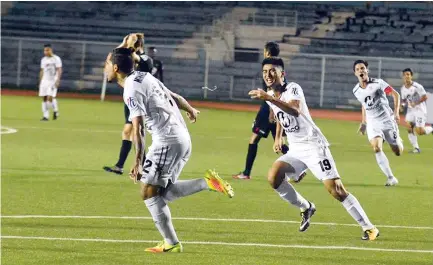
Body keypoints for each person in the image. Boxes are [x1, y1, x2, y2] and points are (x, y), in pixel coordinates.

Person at [104, 47, 234, 253]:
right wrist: (190, 109)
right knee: (161, 193)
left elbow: (137, 128)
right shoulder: (145, 76)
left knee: (148, 193)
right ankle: (206, 183)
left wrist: (138, 161)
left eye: (107, 64)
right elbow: (173, 96)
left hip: (167, 142)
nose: (105, 69)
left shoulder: (130, 89)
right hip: (181, 139)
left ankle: (172, 243)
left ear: (116, 67)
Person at [248, 57, 379, 240]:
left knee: (336, 190)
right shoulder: (271, 94)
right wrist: (278, 137)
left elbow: (294, 110)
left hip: (313, 145)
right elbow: (278, 115)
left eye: (272, 71)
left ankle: (369, 227)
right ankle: (306, 207)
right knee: (273, 177)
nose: (268, 75)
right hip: (295, 149)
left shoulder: (292, 88)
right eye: (264, 72)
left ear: (281, 74)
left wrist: (268, 98)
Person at [233, 41, 300, 181]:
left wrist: (271, 113)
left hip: (268, 110)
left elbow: (274, 94)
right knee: (278, 143)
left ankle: (246, 173)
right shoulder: (276, 68)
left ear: (267, 52)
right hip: (273, 109)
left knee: (255, 140)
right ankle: (298, 171)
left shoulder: (269, 68)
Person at [103, 33, 154, 175]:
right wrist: (123, 42)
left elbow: (131, 57)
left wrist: (129, 43)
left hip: (140, 100)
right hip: (129, 99)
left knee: (135, 132)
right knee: (128, 132)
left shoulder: (146, 60)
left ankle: (142, 166)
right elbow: (112, 58)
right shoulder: (127, 57)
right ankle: (122, 166)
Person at [352, 60, 402, 186]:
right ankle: (391, 178)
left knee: (397, 152)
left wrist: (396, 113)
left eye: (363, 68)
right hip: (373, 122)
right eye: (358, 69)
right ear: (355, 73)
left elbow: (395, 95)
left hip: (387, 120)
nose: (361, 71)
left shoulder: (378, 83)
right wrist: (363, 122)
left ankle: (397, 139)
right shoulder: (356, 90)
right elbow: (364, 104)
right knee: (376, 148)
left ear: (367, 70)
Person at [400, 68, 432, 153]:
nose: (406, 76)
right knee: (409, 127)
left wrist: (416, 103)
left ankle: (431, 128)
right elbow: (404, 100)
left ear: (411, 76)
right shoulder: (403, 88)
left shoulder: (417, 86)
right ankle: (416, 148)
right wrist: (402, 106)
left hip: (420, 110)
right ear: (403, 76)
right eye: (405, 75)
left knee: (420, 132)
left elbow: (425, 97)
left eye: (408, 74)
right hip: (411, 111)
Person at [39, 44, 62, 121]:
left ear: (51, 50)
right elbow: (42, 70)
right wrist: (40, 81)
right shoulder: (43, 60)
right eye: (45, 50)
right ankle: (46, 116)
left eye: (47, 50)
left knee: (50, 98)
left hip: (53, 81)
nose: (45, 52)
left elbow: (59, 69)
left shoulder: (56, 59)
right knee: (44, 98)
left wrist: (58, 80)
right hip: (44, 81)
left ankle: (55, 110)